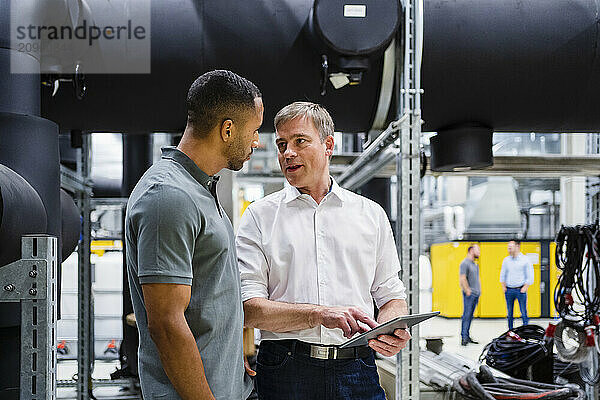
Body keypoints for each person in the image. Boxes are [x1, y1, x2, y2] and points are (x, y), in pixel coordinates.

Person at [236, 102, 411, 400]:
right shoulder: (259, 216)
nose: (287, 153)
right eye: (281, 144)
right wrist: (320, 315)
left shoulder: (370, 214)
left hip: (358, 366)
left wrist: (390, 329)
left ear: (328, 144)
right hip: (285, 369)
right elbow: (248, 308)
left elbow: (391, 294)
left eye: (300, 141)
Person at [125, 70, 263, 399]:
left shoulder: (199, 189)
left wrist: (227, 357)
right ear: (227, 129)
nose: (257, 141)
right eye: (254, 131)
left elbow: (208, 297)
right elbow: (167, 324)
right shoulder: (168, 196)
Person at [500, 239, 534, 330]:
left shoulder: (525, 260)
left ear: (517, 247)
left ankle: (525, 330)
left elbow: (530, 275)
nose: (509, 249)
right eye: (508, 247)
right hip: (509, 290)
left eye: (511, 247)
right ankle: (510, 331)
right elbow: (502, 275)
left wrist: (525, 288)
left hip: (520, 290)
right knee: (509, 313)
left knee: (523, 312)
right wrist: (504, 287)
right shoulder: (506, 260)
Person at [459, 244, 481, 346]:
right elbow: (462, 278)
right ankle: (464, 338)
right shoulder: (465, 263)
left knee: (470, 316)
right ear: (471, 250)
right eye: (478, 250)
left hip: (475, 294)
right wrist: (467, 290)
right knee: (466, 315)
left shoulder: (474, 264)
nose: (479, 252)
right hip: (470, 294)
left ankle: (467, 336)